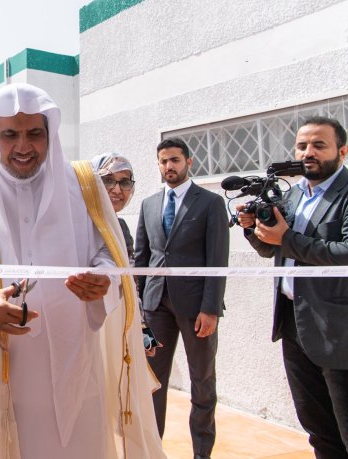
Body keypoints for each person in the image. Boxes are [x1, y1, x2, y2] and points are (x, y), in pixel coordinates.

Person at [0, 83, 165, 459]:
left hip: (73, 369)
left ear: (50, 132)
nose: (23, 146)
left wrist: (103, 279)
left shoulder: (82, 185)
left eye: (34, 133)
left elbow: (109, 254)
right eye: (10, 135)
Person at [237, 116, 348, 459]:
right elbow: (274, 248)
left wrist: (287, 238)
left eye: (319, 145)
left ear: (342, 151)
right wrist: (253, 229)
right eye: (302, 145)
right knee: (322, 439)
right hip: (298, 330)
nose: (308, 152)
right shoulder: (293, 196)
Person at [133, 137, 229, 459]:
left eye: (174, 160)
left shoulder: (210, 203)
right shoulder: (148, 205)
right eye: (163, 161)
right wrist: (139, 308)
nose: (168, 167)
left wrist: (211, 309)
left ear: (189, 162)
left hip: (196, 309)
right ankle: (152, 449)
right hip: (154, 307)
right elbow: (141, 259)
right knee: (152, 381)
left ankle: (202, 453)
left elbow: (218, 260)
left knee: (202, 380)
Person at [90, 152, 137, 263]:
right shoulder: (81, 225)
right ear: (91, 182)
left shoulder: (121, 225)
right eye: (108, 180)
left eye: (125, 182)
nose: (117, 190)